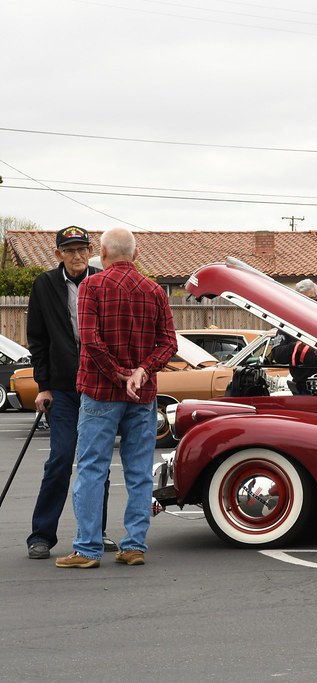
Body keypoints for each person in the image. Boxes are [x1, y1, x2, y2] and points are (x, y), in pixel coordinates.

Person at [55, 228, 177, 568]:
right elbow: (169, 343)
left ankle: (87, 549)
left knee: (92, 469)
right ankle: (134, 545)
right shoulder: (155, 290)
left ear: (103, 254)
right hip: (143, 395)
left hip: (100, 392)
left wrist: (118, 374)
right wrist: (141, 371)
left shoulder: (91, 286)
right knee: (139, 472)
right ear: (135, 254)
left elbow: (90, 341)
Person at [24, 226, 117, 560]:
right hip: (62, 389)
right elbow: (38, 339)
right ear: (58, 254)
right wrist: (43, 386)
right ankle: (41, 535)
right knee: (61, 459)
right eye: (70, 250)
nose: (77, 256)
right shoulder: (45, 285)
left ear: (90, 251)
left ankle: (95, 532)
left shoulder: (102, 281)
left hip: (98, 387)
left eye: (82, 249)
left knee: (98, 463)